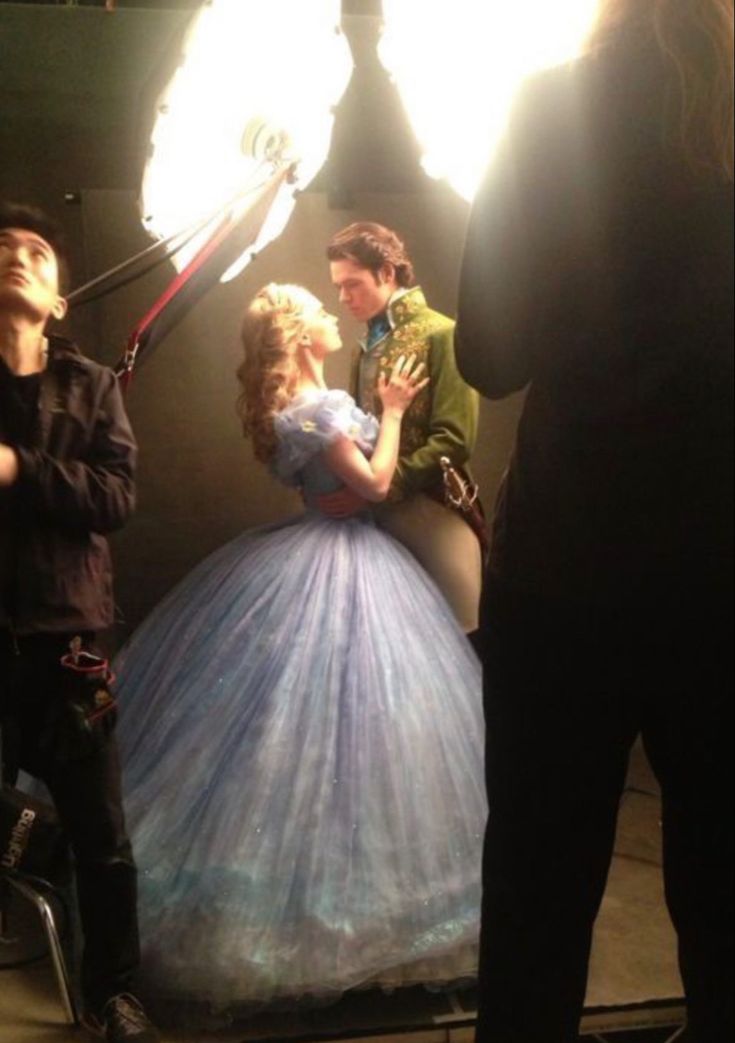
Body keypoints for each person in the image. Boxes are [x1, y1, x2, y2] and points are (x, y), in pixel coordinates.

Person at [455, 1, 734, 1040]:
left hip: (565, 567)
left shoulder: (548, 108)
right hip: (720, 575)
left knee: (536, 897)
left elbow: (489, 351)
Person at [112, 283, 486, 1012]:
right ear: (297, 335)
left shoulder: (308, 403)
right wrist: (397, 408)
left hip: (327, 549)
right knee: (333, 730)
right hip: (343, 561)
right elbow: (375, 484)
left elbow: (350, 484)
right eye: (318, 310)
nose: (329, 315)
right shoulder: (313, 408)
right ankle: (330, 915)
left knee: (341, 733)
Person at [0, 203, 159, 1042]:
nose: (17, 258)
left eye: (35, 252)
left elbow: (117, 497)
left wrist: (22, 466)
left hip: (72, 641)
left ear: (59, 299)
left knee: (103, 835)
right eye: (2, 249)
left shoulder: (93, 386)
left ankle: (114, 995)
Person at [325, 222, 483, 636]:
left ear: (388, 273)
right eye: (339, 287)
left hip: (432, 515)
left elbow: (453, 440)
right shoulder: (364, 348)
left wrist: (377, 489)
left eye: (353, 284)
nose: (344, 298)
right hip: (372, 522)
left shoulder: (442, 335)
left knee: (458, 638)